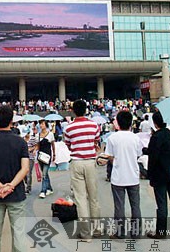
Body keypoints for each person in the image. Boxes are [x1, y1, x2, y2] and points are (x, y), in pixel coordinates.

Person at [0, 104, 29, 252]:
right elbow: (25, 168)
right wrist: (11, 186)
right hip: (17, 194)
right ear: (12, 120)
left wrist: (1, 186)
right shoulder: (21, 142)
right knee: (19, 232)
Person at [63, 99, 101, 241]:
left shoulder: (69, 127)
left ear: (73, 111)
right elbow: (96, 141)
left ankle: (86, 234)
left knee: (80, 198)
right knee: (93, 197)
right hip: (91, 161)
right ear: (86, 110)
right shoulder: (94, 125)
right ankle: (97, 229)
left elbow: (68, 144)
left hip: (77, 162)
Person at [104, 110, 143, 239]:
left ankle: (120, 232)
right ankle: (136, 232)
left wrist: (114, 159)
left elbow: (109, 156)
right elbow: (138, 154)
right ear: (131, 123)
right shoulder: (136, 138)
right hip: (133, 176)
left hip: (118, 177)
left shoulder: (112, 138)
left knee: (119, 206)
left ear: (118, 123)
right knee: (135, 206)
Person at [145, 111, 170, 238]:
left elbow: (153, 158)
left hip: (159, 175)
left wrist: (149, 174)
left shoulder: (155, 137)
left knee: (161, 204)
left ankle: (161, 232)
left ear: (155, 123)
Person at [37, 119, 56, 199]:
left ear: (46, 125)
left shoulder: (50, 134)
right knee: (45, 173)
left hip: (47, 156)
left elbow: (53, 144)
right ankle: (49, 188)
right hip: (40, 156)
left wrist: (54, 154)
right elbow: (38, 145)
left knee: (44, 174)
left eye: (42, 124)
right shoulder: (38, 134)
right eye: (40, 124)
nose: (41, 125)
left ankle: (43, 191)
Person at [23, 124, 39, 194]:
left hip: (30, 157)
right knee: (23, 174)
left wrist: (32, 149)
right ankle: (27, 182)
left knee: (29, 173)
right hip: (23, 158)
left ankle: (28, 187)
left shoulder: (33, 138)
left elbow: (37, 146)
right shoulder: (22, 139)